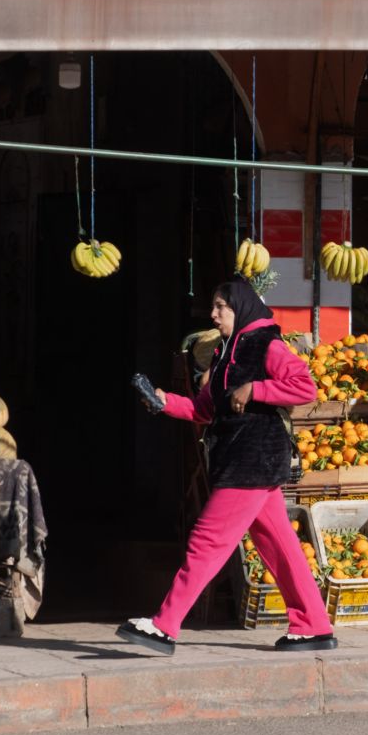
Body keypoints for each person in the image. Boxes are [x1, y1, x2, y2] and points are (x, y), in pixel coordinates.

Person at [116, 277, 337, 655]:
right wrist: (162, 400)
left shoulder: (267, 344)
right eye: (213, 307)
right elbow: (204, 410)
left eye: (222, 307)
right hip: (246, 461)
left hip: (252, 459)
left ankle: (164, 626)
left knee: (207, 541)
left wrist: (256, 389)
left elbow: (306, 387)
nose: (214, 314)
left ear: (242, 307)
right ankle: (314, 626)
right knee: (279, 545)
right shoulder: (224, 353)